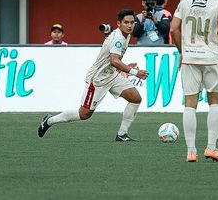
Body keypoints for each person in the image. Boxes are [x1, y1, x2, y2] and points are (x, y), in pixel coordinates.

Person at [38, 9, 149, 141]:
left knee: (135, 98)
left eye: (132, 22)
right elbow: (114, 60)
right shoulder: (118, 39)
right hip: (97, 79)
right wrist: (135, 72)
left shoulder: (126, 33)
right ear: (119, 23)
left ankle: (122, 134)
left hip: (112, 75)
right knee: (84, 114)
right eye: (126, 22)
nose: (130, 25)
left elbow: (113, 60)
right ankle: (50, 121)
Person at [170, 0, 218, 163]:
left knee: (190, 103)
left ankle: (191, 151)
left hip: (189, 58)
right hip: (211, 58)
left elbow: (174, 28)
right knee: (214, 101)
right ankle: (211, 148)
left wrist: (182, 50)